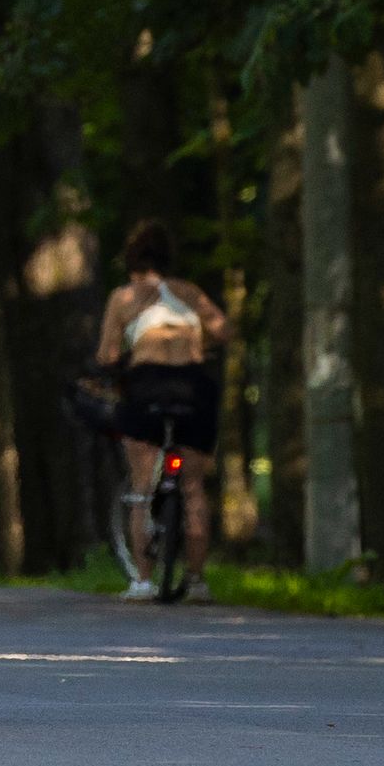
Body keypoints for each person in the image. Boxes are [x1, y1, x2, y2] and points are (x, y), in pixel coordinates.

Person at [94, 220, 232, 599]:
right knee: (193, 488)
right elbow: (223, 329)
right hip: (193, 385)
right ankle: (198, 580)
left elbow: (106, 354)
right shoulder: (188, 292)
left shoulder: (123, 297)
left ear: (130, 260)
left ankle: (142, 580)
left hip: (148, 385)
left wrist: (122, 356)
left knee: (142, 485)